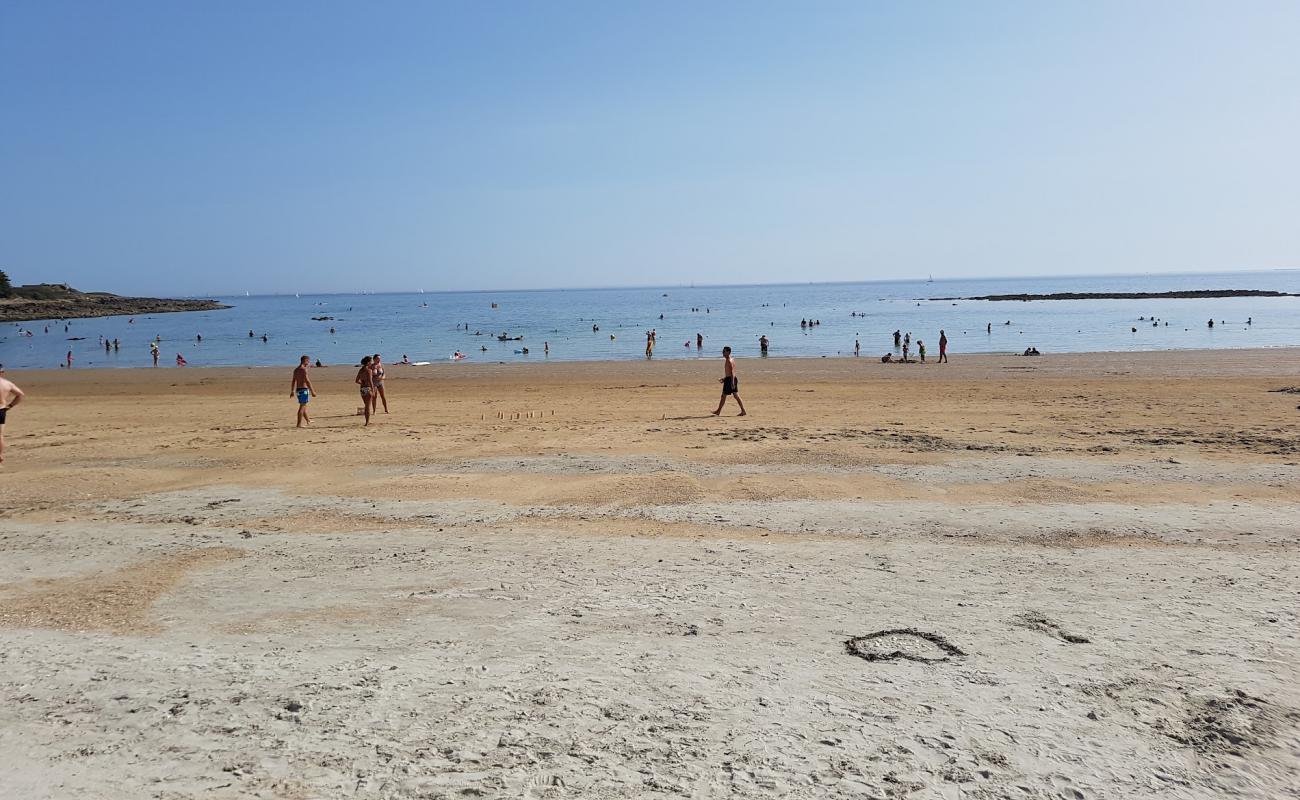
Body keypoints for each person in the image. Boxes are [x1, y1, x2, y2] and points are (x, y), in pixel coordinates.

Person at [0, 366, 25, 464]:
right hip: (1, 410)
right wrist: (10, 406)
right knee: (0, 435)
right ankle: (0, 456)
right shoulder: (7, 383)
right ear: (2, 372)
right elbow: (20, 395)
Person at [712, 346, 746, 416]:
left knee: (724, 396)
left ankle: (718, 411)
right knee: (735, 395)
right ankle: (743, 411)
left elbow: (732, 372)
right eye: (722, 351)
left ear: (728, 352)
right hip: (730, 379)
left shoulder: (729, 361)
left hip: (731, 380)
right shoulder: (731, 359)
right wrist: (724, 379)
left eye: (724, 351)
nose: (723, 353)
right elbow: (729, 373)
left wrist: (732, 382)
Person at [291, 355, 316, 427]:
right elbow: (307, 381)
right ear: (305, 360)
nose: (308, 362)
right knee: (302, 406)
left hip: (298, 390)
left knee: (303, 405)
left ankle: (308, 420)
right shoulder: (303, 369)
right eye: (308, 361)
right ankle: (299, 424)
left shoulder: (296, 370)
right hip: (304, 389)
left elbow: (293, 381)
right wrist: (312, 391)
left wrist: (292, 391)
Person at [356, 356, 376, 425]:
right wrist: (373, 390)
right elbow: (370, 381)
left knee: (366, 405)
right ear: (368, 362)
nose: (372, 363)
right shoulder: (369, 370)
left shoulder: (361, 370)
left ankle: (367, 421)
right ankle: (367, 422)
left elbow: (357, 380)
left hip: (362, 389)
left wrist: (362, 382)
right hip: (368, 388)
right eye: (371, 361)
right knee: (368, 407)